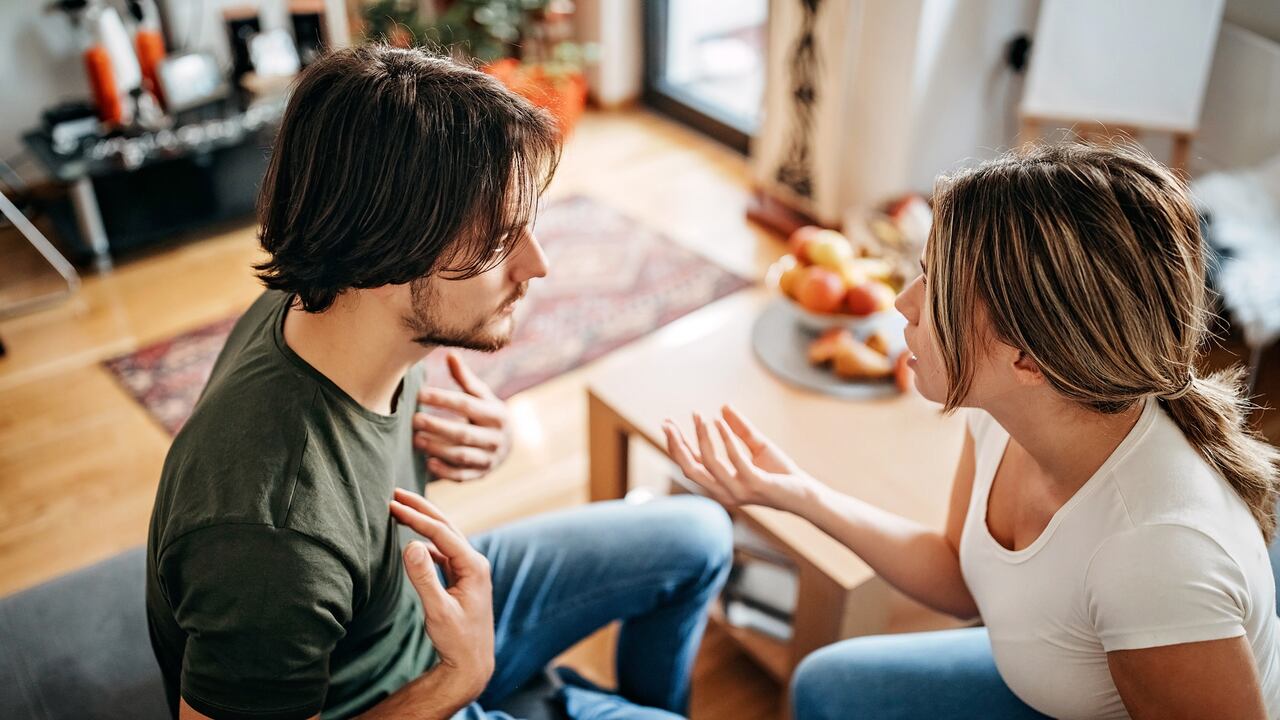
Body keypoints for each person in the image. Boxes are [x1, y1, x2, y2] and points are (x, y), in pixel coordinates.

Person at [145, 45, 733, 720]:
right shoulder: (271, 537)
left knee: (701, 535)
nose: (537, 267)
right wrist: (461, 678)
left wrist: (484, 442)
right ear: (388, 252)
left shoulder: (327, 305)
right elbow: (312, 509)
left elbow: (354, 475)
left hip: (410, 614)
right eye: (497, 243)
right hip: (411, 692)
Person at [665, 142, 1280, 719]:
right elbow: (960, 578)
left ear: (1028, 360)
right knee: (825, 686)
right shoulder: (1007, 412)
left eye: (934, 285)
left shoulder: (1154, 561)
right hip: (1053, 678)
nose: (904, 303)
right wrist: (797, 493)